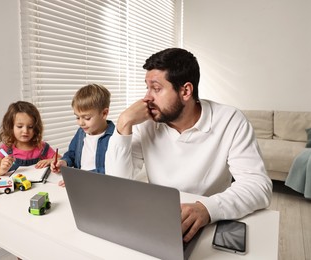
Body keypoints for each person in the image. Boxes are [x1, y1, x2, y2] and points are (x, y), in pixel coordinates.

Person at [105, 48, 272, 242]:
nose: (146, 98)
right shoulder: (147, 122)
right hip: (158, 222)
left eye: (156, 88)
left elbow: (258, 186)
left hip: (212, 220)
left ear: (185, 91)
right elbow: (116, 186)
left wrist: (207, 208)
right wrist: (124, 123)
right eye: (147, 87)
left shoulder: (230, 120)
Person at [51, 84, 115, 186]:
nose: (81, 123)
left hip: (101, 186)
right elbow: (72, 153)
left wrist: (80, 178)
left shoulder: (114, 137)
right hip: (79, 184)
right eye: (77, 117)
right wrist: (64, 162)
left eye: (87, 118)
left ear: (104, 113)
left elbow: (112, 169)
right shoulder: (81, 132)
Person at [0, 101, 58, 177]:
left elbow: (62, 160)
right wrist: (2, 169)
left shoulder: (42, 147)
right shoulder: (6, 149)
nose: (25, 131)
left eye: (30, 127)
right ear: (11, 127)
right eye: (19, 126)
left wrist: (50, 161)